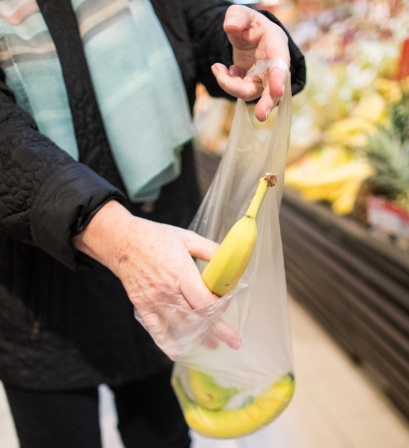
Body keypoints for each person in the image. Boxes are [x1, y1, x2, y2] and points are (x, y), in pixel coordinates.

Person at [0, 0, 306, 447]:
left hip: (167, 273)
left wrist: (249, 44)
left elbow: (201, 20)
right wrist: (120, 242)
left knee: (163, 432)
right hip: (40, 301)